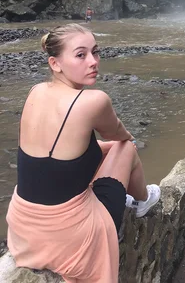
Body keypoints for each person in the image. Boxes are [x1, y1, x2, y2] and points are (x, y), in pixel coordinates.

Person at [6, 23, 161, 283]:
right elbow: (120, 136)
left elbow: (55, 160)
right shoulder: (94, 100)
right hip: (70, 237)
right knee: (125, 148)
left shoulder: (35, 91)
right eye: (81, 55)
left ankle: (133, 199)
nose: (93, 62)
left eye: (95, 52)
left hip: (24, 227)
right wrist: (124, 142)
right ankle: (143, 200)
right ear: (55, 63)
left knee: (99, 151)